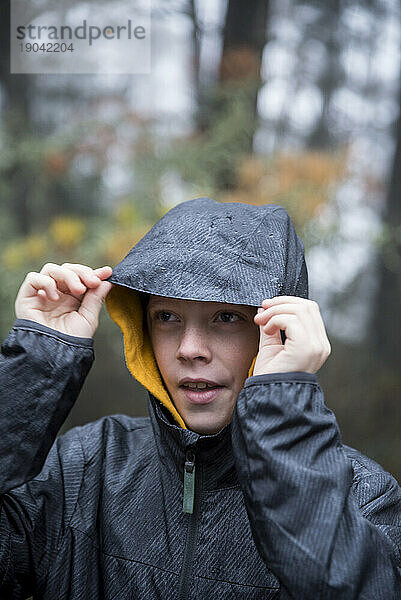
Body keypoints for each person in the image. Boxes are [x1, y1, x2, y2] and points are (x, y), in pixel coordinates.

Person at [0, 197, 400, 599]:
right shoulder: (83, 467)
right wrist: (36, 363)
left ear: (278, 331)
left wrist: (282, 405)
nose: (190, 349)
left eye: (226, 317)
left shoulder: (362, 495)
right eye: (167, 317)